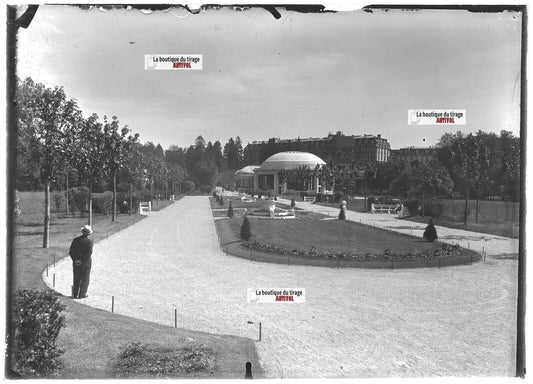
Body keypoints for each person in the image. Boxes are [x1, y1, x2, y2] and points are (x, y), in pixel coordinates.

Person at [69, 225, 94, 299]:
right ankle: (82, 294)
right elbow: (89, 253)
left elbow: (71, 252)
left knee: (76, 278)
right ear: (89, 234)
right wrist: (82, 261)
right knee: (85, 279)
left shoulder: (75, 240)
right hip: (86, 263)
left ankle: (75, 294)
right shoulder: (89, 242)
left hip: (76, 263)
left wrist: (76, 260)